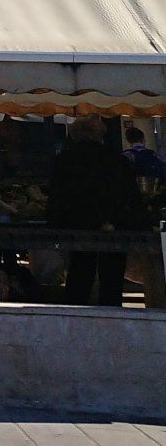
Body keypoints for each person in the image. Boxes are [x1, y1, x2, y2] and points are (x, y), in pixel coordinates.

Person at [50, 116, 144, 307]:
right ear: (100, 134)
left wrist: (55, 224)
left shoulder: (64, 161)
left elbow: (57, 196)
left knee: (79, 275)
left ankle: (77, 318)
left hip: (78, 227)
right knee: (112, 279)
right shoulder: (115, 159)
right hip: (113, 225)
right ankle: (112, 318)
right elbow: (131, 196)